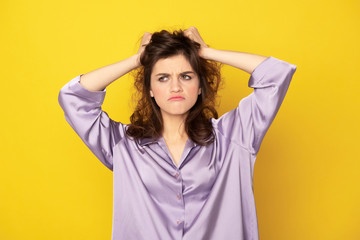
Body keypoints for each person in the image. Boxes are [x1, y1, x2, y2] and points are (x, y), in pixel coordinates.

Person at [58, 26, 297, 240]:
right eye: (163, 78)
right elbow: (72, 98)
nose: (175, 87)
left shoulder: (234, 136)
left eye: (186, 76)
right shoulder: (123, 145)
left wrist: (206, 53)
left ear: (200, 85)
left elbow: (276, 75)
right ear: (150, 89)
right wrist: (138, 59)